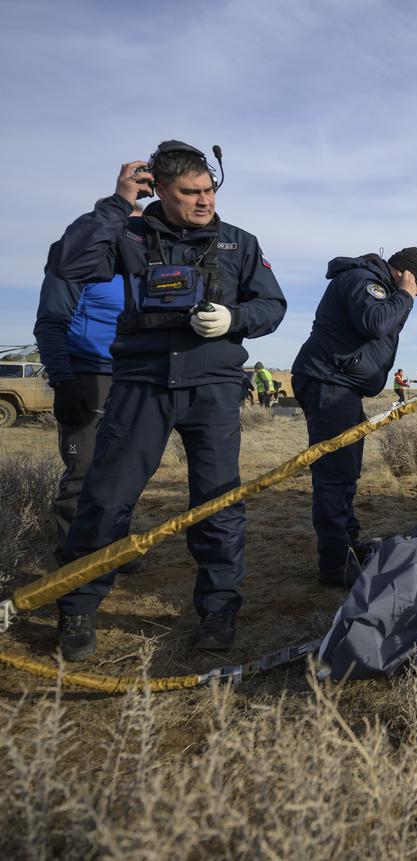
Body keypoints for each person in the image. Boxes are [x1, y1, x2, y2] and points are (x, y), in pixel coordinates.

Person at [50, 140, 286, 660]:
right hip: (141, 384)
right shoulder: (127, 234)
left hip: (214, 389)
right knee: (107, 497)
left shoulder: (239, 242)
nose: (205, 202)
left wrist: (236, 319)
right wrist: (115, 205)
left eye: (210, 190)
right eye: (190, 192)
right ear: (158, 189)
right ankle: (78, 607)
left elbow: (272, 304)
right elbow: (68, 263)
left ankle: (219, 610)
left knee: (219, 502)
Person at [291, 247, 417, 587]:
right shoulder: (363, 280)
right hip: (330, 382)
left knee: (345, 471)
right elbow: (377, 322)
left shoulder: (375, 284)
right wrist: (406, 296)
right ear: (406, 273)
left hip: (340, 385)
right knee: (335, 475)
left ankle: (348, 547)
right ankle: (336, 565)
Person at [34, 201, 148, 549]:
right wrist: (64, 383)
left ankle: (112, 548)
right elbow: (50, 325)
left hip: (134, 376)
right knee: (83, 471)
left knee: (125, 472)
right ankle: (75, 560)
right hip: (87, 376)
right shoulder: (74, 265)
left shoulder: (142, 271)